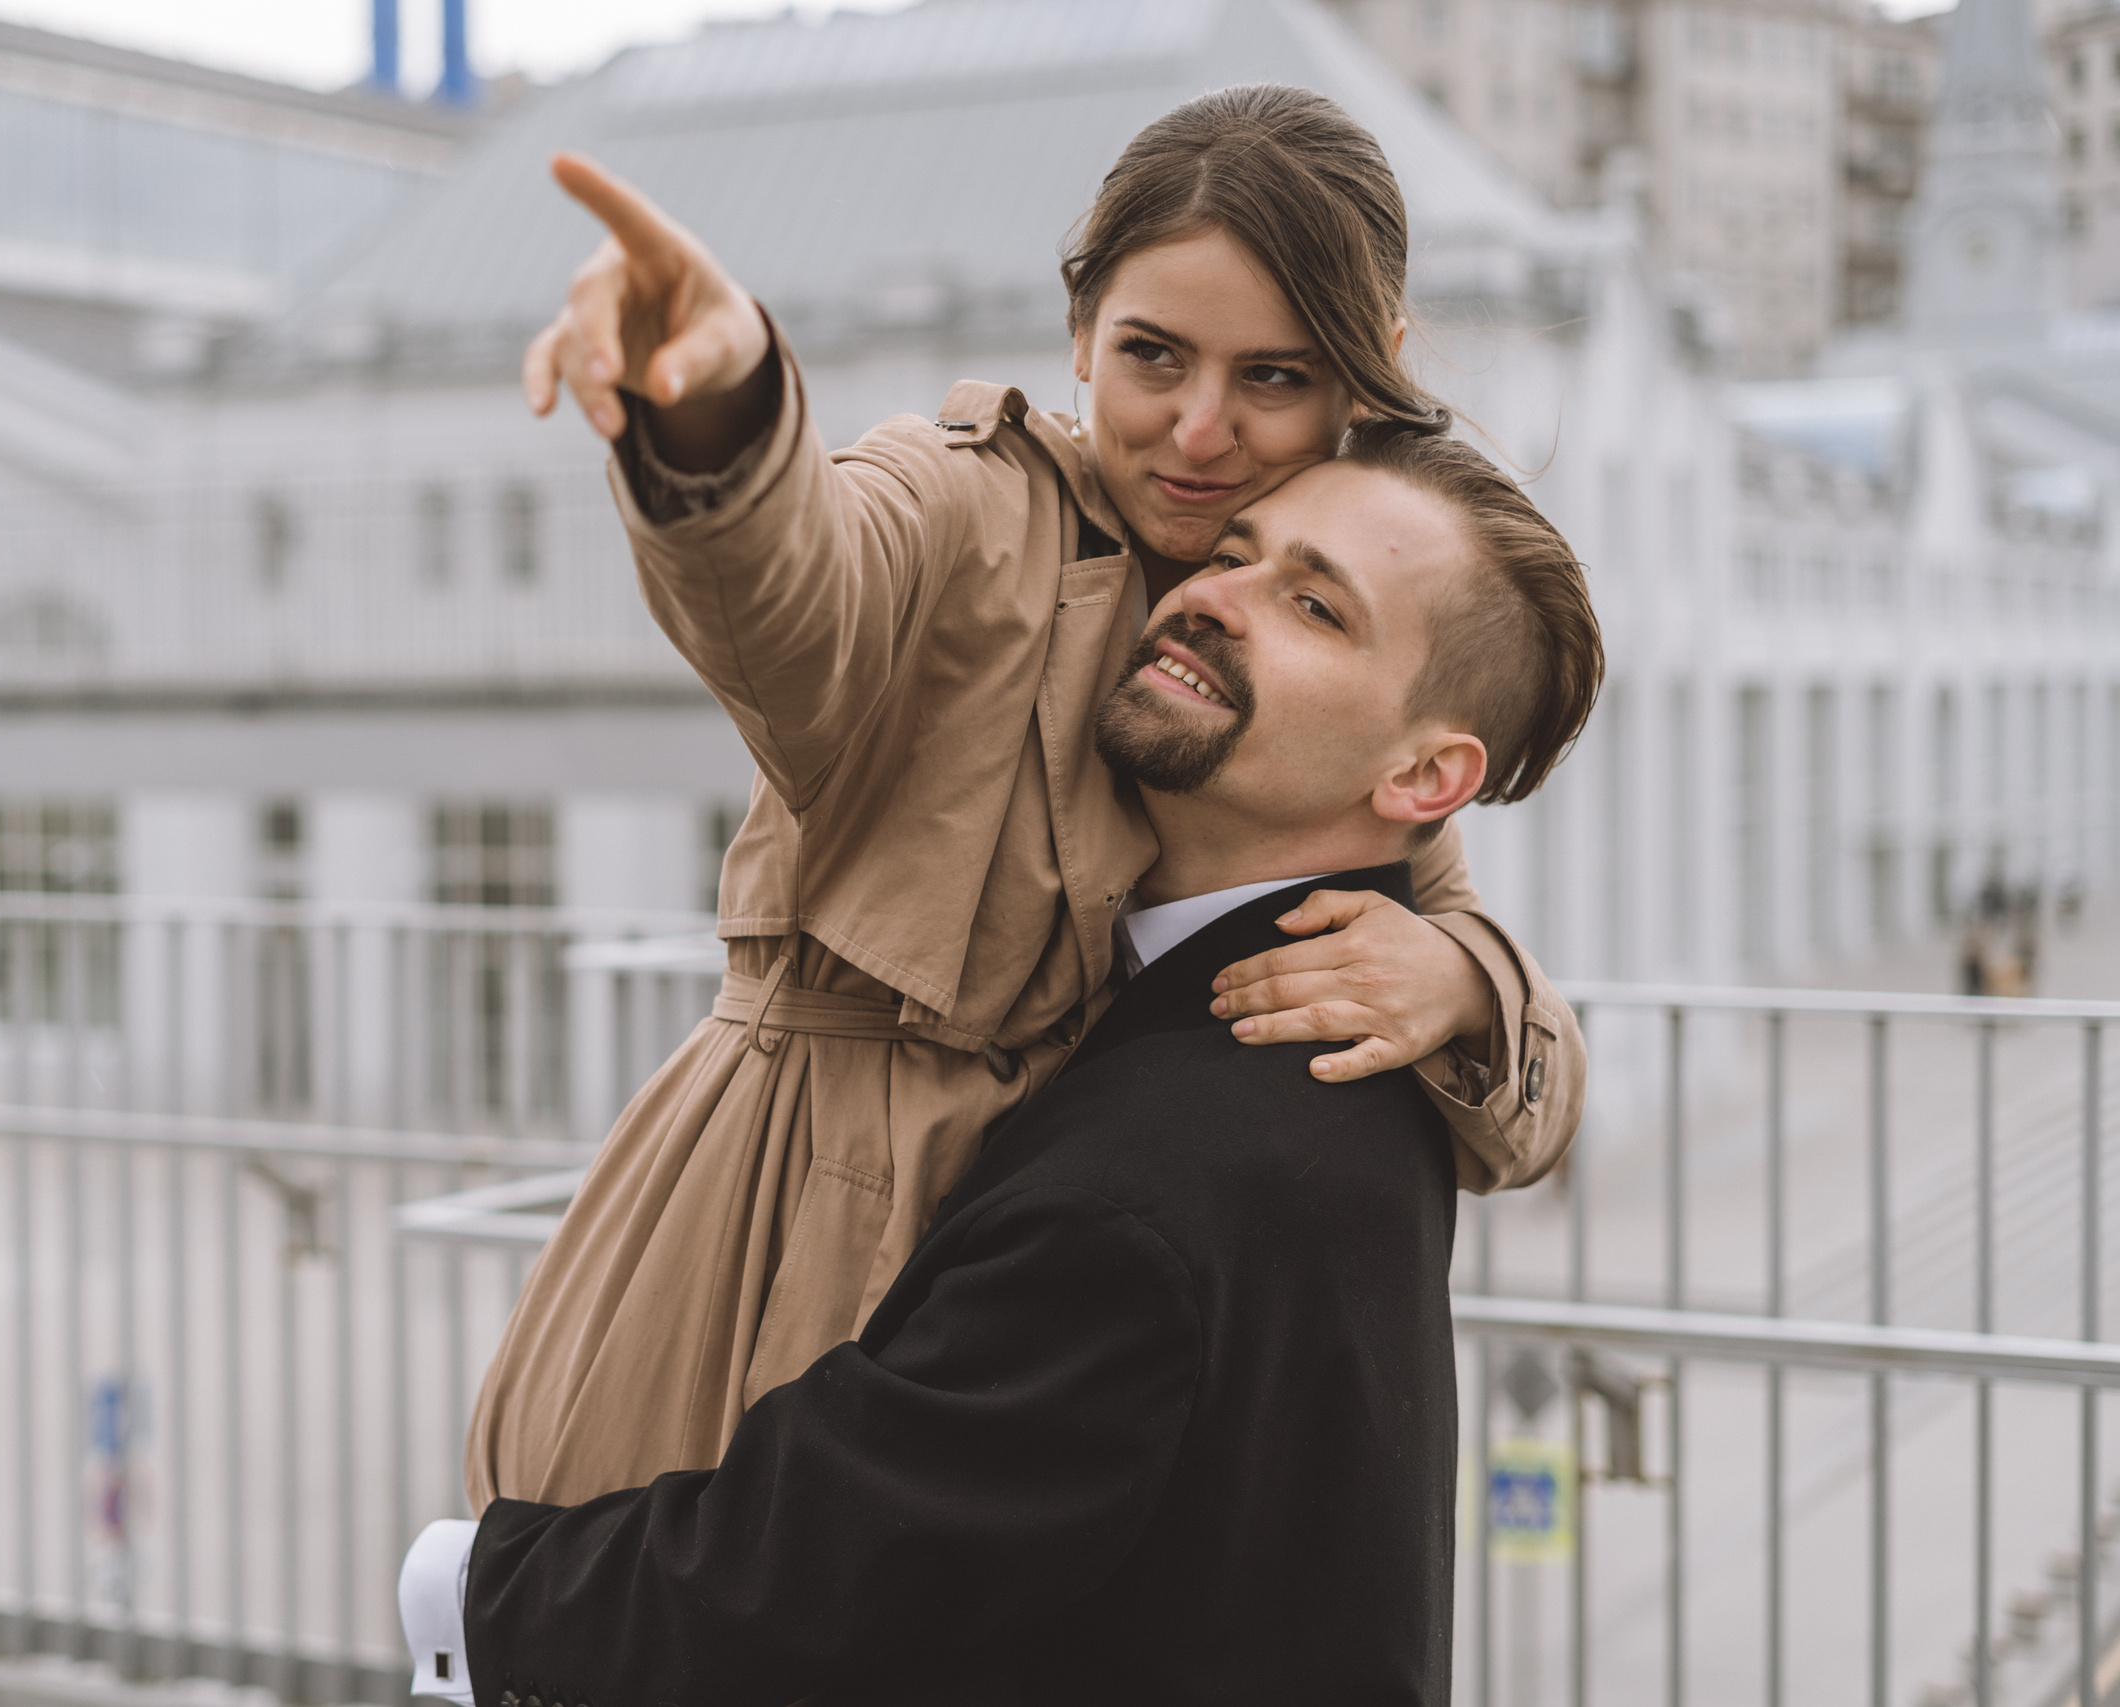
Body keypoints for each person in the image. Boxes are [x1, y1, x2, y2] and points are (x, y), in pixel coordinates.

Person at [465, 84, 1587, 1515]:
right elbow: (796, 585)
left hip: (1037, 1353)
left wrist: (1464, 984)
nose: (1199, 431)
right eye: (1152, 355)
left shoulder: (1332, 673)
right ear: (1079, 331)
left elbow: (1531, 1104)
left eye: (1273, 376)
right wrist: (721, 408)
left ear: (1361, 383)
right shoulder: (965, 509)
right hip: (760, 1284)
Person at [402, 422, 1605, 1707]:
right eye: (1231, 555)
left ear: (1425, 775)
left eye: (1314, 606)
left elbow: (846, 1556)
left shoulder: (1165, 1162)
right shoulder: (1359, 1046)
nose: (1212, 598)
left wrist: (471, 1590)